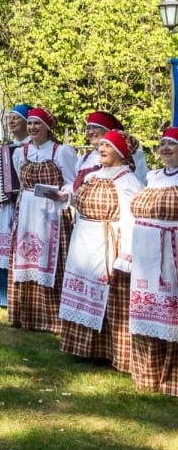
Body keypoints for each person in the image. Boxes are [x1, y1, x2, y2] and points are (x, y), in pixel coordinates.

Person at [59, 129, 140, 369]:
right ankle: (81, 347)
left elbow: (132, 220)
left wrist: (125, 254)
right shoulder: (92, 176)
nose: (102, 149)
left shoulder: (128, 181)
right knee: (81, 290)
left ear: (121, 152)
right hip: (82, 238)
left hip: (106, 242)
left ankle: (106, 349)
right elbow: (79, 201)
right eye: (101, 145)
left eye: (108, 146)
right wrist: (65, 198)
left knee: (107, 293)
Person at [8, 107, 77, 333]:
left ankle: (53, 318)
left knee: (52, 259)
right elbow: (21, 180)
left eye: (38, 124)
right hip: (27, 211)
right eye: (30, 124)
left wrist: (62, 194)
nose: (33, 128)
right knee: (27, 257)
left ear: (48, 128)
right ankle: (26, 314)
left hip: (52, 213)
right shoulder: (22, 152)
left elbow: (72, 182)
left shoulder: (60, 151)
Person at [128, 126, 178, 396]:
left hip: (171, 256)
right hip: (146, 257)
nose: (166, 149)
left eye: (172, 144)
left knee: (172, 315)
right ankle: (148, 373)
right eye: (163, 144)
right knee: (147, 311)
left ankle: (172, 376)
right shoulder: (153, 176)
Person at [0, 104, 31, 307]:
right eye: (9, 118)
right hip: (7, 206)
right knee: (4, 247)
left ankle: (24, 294)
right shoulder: (7, 148)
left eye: (16, 118)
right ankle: (1, 294)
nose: (11, 122)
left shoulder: (33, 148)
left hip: (26, 206)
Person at [74, 111, 148, 187]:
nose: (91, 131)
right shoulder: (84, 160)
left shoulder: (127, 153)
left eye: (96, 127)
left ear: (108, 131)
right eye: (88, 128)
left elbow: (141, 181)